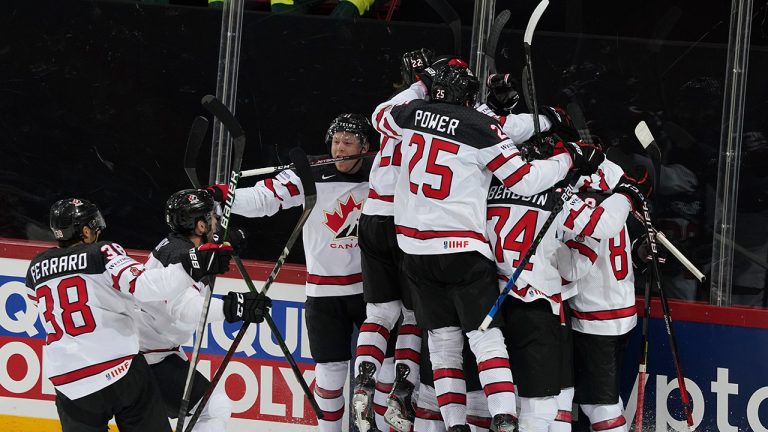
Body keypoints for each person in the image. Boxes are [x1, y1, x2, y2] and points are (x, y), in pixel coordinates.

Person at [371, 62, 602, 432]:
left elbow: (379, 115)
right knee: (484, 336)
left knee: (442, 342)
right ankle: (504, 416)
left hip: (414, 250)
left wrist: (420, 84)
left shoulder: (410, 112)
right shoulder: (480, 126)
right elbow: (525, 180)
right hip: (462, 250)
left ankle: (456, 426)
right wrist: (568, 157)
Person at [209, 113, 374, 432]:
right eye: (336, 141)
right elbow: (263, 199)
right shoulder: (309, 173)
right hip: (324, 295)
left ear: (365, 147)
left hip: (373, 293)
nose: (340, 149)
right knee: (329, 375)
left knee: (377, 375)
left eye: (349, 142)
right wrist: (222, 199)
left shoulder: (382, 172)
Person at [24, 198, 242, 432]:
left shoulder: (36, 268)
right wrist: (193, 265)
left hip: (69, 383)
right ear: (85, 231)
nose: (97, 232)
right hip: (120, 371)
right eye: (94, 227)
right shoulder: (102, 252)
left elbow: (37, 300)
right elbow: (145, 285)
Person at [138, 189, 271, 431]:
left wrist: (224, 239)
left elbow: (210, 245)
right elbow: (185, 309)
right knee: (213, 408)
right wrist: (234, 307)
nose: (217, 222)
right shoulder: (181, 256)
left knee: (196, 415)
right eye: (212, 218)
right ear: (200, 226)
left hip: (151, 353)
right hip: (148, 359)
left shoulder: (179, 245)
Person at [352, 48, 433, 432]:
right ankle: (402, 392)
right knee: (414, 316)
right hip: (407, 225)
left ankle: (364, 381)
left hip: (372, 217)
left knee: (379, 315)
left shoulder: (397, 111)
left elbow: (382, 112)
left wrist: (417, 83)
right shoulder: (441, 119)